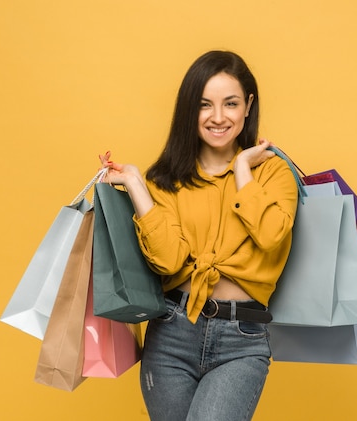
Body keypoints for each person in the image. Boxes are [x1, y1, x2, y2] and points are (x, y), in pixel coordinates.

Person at [99, 50, 298, 421]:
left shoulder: (273, 174)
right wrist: (137, 186)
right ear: (189, 109)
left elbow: (271, 236)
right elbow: (169, 261)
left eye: (231, 103)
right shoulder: (168, 180)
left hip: (243, 340)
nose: (218, 117)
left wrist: (242, 169)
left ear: (248, 105)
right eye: (205, 104)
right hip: (172, 334)